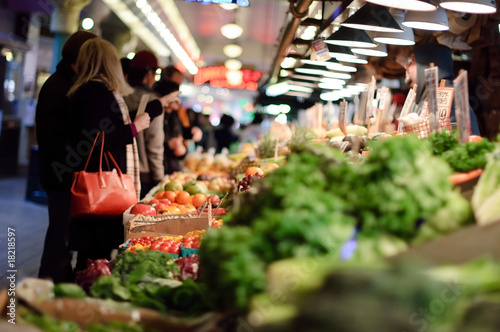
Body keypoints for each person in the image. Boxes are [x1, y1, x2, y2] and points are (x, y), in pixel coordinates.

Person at [66, 38, 151, 271]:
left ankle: (81, 294)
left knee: (91, 253)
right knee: (94, 256)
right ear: (109, 63)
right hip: (100, 184)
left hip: (93, 178)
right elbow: (99, 138)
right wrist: (136, 127)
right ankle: (83, 299)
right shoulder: (98, 92)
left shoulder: (85, 90)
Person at [36, 30, 98, 283]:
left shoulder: (70, 83)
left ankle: (54, 290)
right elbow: (54, 140)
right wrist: (75, 166)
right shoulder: (59, 86)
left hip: (66, 175)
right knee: (59, 243)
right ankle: (44, 297)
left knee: (63, 239)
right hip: (62, 177)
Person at [123, 50, 180, 197]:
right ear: (149, 74)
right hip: (141, 174)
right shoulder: (152, 101)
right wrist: (159, 179)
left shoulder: (118, 94)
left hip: (117, 168)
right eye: (155, 74)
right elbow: (154, 144)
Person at [397, 43, 480, 135]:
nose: (406, 66)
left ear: (426, 64)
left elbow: (448, 142)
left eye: (411, 61)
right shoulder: (418, 99)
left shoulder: (451, 98)